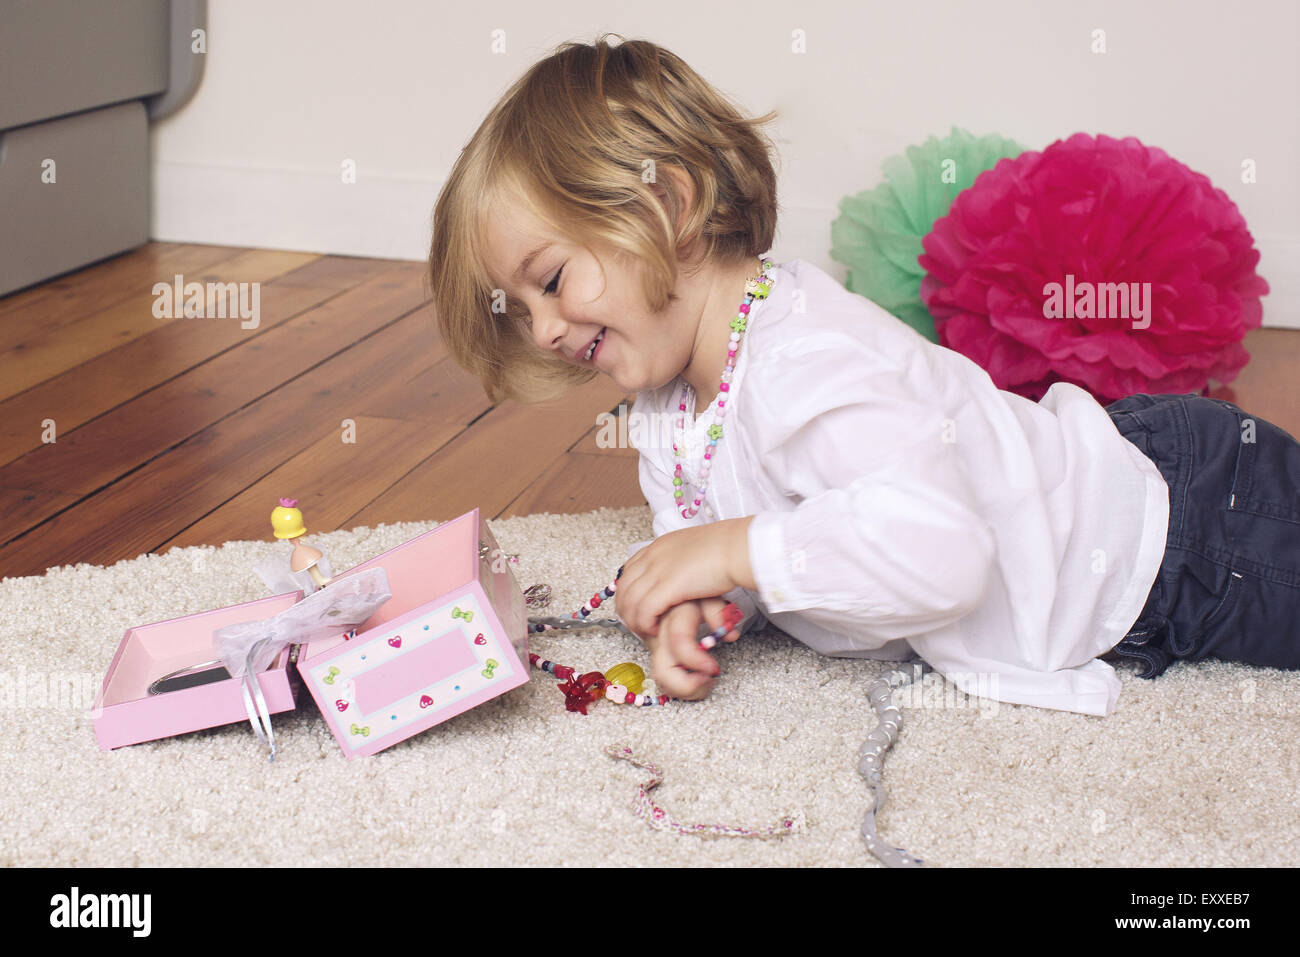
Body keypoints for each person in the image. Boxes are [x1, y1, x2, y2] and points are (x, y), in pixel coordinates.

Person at [427, 34, 1300, 714]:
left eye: (549, 280)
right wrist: (700, 595)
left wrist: (735, 548)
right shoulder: (668, 407)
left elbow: (944, 552)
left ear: (668, 202)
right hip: (1127, 468)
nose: (541, 328)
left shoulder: (806, 361)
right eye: (520, 305)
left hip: (1192, 531)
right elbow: (726, 533)